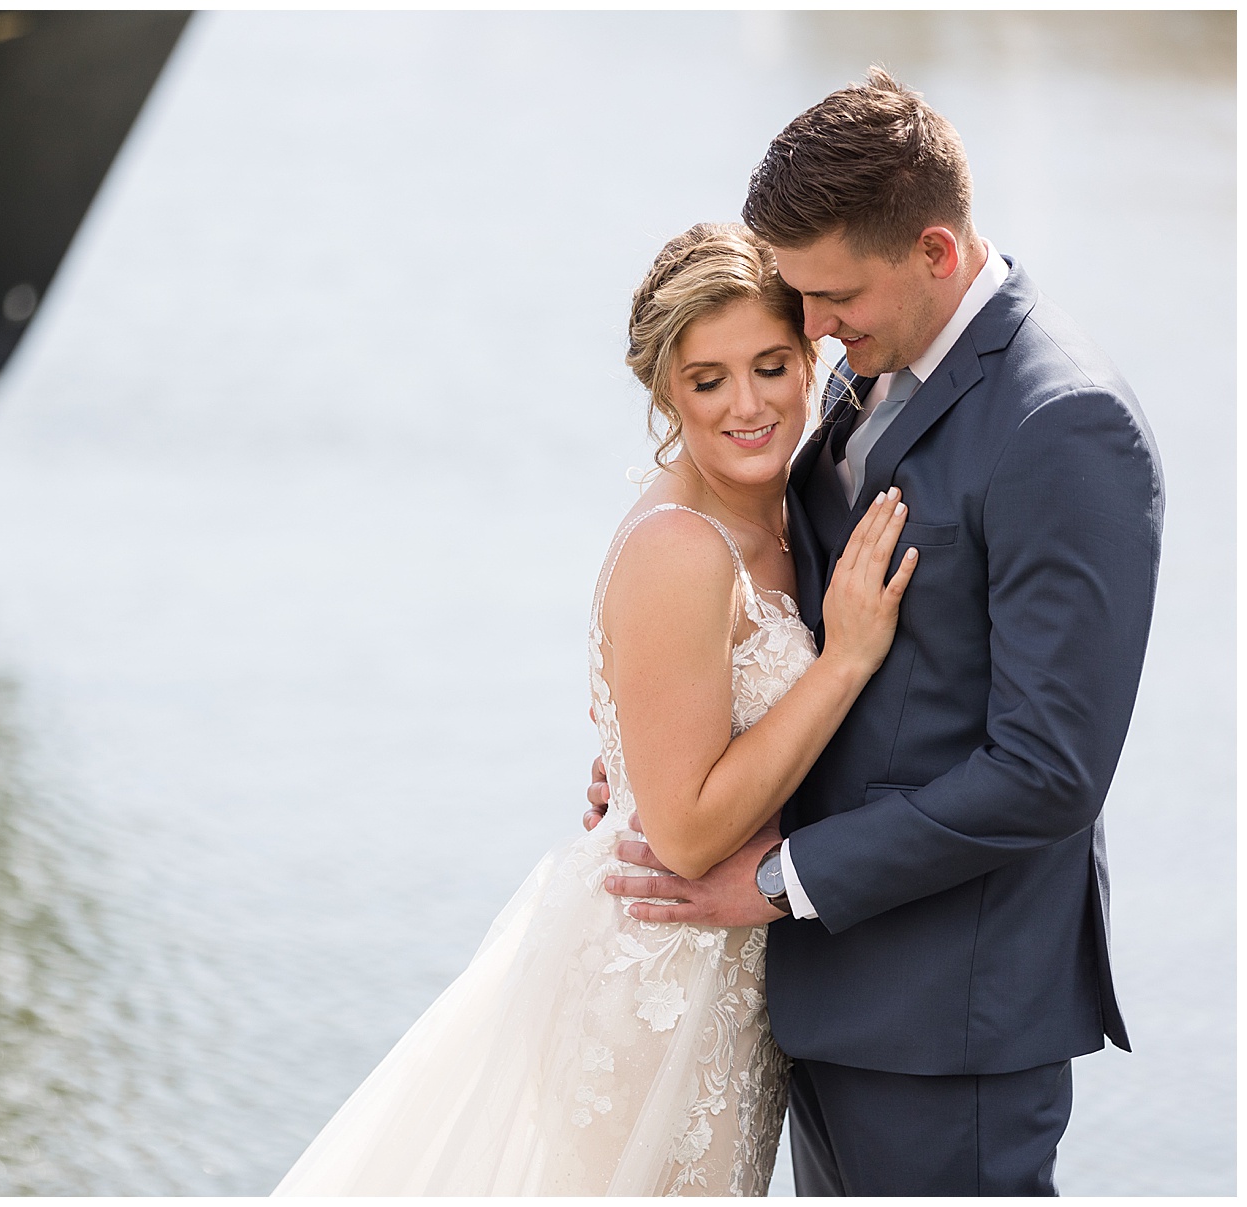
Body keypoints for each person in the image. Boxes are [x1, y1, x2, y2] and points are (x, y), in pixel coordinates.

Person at [588, 68, 1162, 1195]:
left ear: (935, 253)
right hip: (816, 1001)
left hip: (949, 1026)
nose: (809, 332)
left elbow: (1048, 772)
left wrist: (780, 878)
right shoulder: (866, 366)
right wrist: (663, 744)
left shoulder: (1063, 426)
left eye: (829, 299)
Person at [275, 222, 918, 1196]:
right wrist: (847, 659)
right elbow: (690, 830)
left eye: (771, 366)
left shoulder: (795, 507)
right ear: (665, 389)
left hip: (738, 984)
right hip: (658, 984)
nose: (748, 405)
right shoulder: (680, 548)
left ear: (811, 354)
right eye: (708, 380)